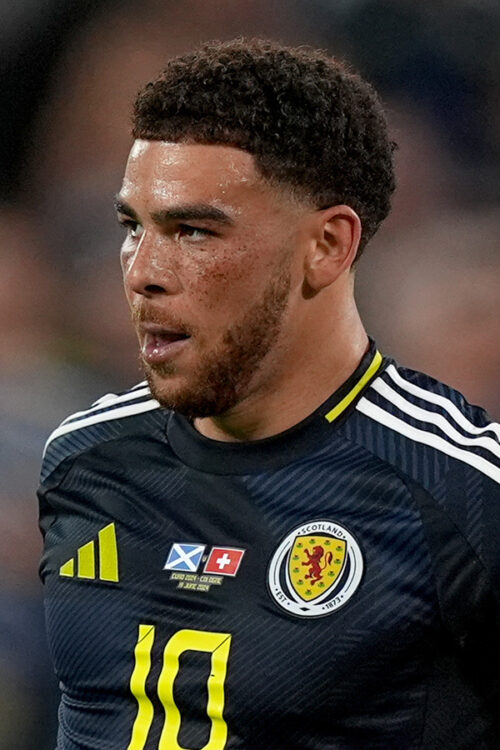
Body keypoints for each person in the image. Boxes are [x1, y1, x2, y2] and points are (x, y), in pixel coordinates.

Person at [38, 39, 500, 750]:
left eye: (194, 231)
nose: (142, 272)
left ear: (328, 245)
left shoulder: (461, 494)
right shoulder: (85, 459)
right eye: (133, 227)